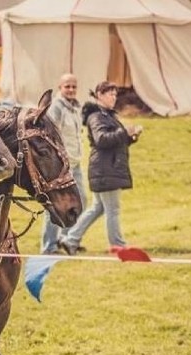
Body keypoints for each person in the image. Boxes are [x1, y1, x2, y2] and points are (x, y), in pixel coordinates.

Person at [60, 81, 141, 255]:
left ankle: (70, 240)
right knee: (113, 209)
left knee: (98, 208)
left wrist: (131, 137)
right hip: (105, 170)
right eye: (110, 94)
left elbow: (115, 141)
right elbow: (102, 140)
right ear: (100, 95)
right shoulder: (96, 117)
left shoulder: (107, 115)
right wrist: (123, 132)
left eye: (115, 94)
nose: (114, 97)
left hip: (106, 168)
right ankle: (118, 246)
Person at [39, 73, 88, 254]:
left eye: (74, 86)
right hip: (60, 167)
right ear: (60, 87)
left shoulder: (75, 107)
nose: (71, 90)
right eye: (67, 86)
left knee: (80, 201)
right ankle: (49, 246)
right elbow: (50, 135)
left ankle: (66, 239)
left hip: (74, 164)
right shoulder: (56, 108)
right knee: (55, 205)